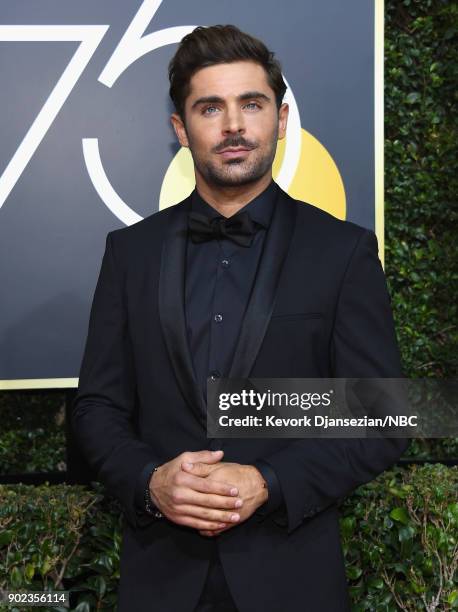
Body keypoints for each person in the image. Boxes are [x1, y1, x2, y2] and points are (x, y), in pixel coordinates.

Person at [72, 24, 409, 612]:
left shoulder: (343, 252)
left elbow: (383, 414)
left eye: (250, 105)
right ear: (181, 129)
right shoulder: (130, 253)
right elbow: (97, 406)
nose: (232, 125)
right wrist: (151, 481)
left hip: (291, 575)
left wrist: (270, 482)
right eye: (210, 107)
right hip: (160, 579)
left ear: (279, 120)